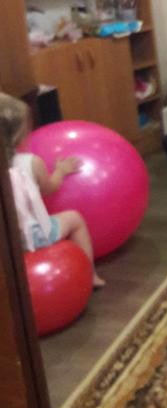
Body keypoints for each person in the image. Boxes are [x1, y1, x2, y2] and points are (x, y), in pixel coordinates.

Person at [0, 94, 105, 287]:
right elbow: (50, 188)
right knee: (75, 219)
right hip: (29, 238)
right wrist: (61, 170)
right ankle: (90, 275)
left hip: (5, 243)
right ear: (19, 135)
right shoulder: (31, 162)